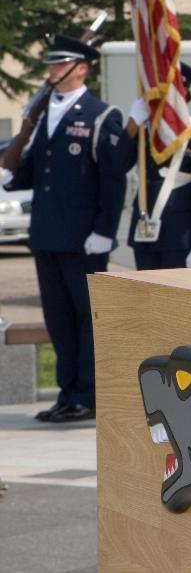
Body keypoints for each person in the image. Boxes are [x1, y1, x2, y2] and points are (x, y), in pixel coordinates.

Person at [0, 34, 126, 422]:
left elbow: (113, 180)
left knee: (86, 318)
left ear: (81, 68)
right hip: (46, 234)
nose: (52, 70)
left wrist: (104, 229)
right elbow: (33, 172)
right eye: (51, 64)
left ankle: (87, 394)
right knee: (58, 318)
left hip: (84, 238)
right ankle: (66, 391)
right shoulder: (42, 117)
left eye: (60, 64)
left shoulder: (101, 115)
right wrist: (11, 164)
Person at [122, 63, 191, 270]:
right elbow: (115, 166)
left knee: (176, 301)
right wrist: (131, 124)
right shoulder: (141, 132)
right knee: (146, 301)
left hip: (181, 235)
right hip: (143, 231)